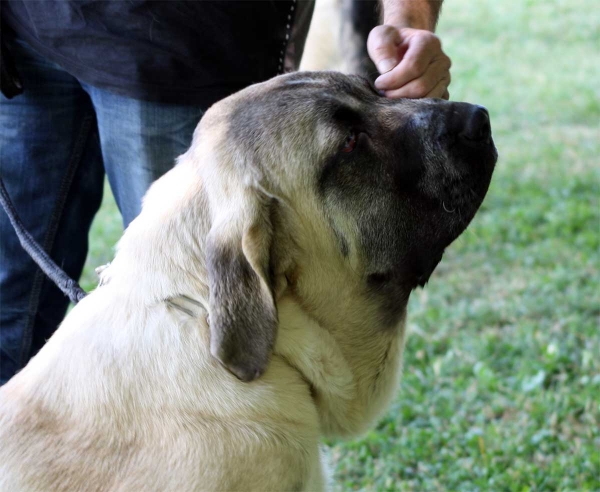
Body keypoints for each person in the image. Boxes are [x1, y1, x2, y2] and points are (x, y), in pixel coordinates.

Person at [0, 0, 450, 385]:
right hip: (25, 31)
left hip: (184, 51)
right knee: (7, 303)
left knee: (219, 347)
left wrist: (408, 19)